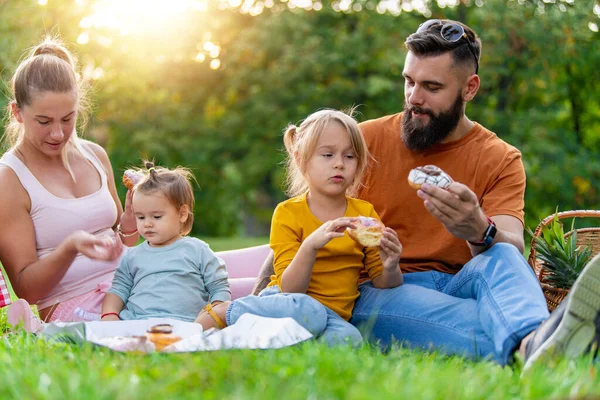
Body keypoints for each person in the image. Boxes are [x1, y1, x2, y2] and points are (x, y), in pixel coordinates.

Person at [252, 19, 600, 370]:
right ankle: (538, 344)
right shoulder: (359, 144)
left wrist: (479, 228)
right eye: (409, 81)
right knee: (482, 320)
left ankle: (539, 345)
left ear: (470, 88)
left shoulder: (500, 158)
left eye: (432, 87)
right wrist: (256, 302)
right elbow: (299, 218)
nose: (414, 98)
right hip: (383, 287)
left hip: (463, 281)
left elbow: (510, 246)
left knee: (505, 257)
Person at [196, 109, 403, 346]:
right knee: (310, 311)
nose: (339, 164)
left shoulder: (364, 213)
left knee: (349, 339)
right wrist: (311, 246)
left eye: (349, 156)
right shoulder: (288, 213)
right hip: (287, 303)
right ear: (300, 158)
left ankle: (258, 337)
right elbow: (290, 288)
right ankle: (225, 311)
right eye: (327, 155)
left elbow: (383, 283)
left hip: (333, 316)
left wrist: (391, 265)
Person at [0, 36, 138, 330]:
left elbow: (120, 245)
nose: (58, 133)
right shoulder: (9, 179)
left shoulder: (95, 155)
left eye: (67, 118)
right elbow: (27, 290)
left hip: (133, 284)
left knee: (220, 281)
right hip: (75, 308)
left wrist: (131, 222)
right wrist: (70, 247)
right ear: (17, 113)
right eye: (43, 121)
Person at [100, 162, 231, 322]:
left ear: (182, 214)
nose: (147, 223)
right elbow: (117, 291)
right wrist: (109, 315)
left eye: (156, 217)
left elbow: (219, 287)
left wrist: (213, 316)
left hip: (186, 324)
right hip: (137, 322)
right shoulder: (133, 256)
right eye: (140, 217)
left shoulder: (197, 250)